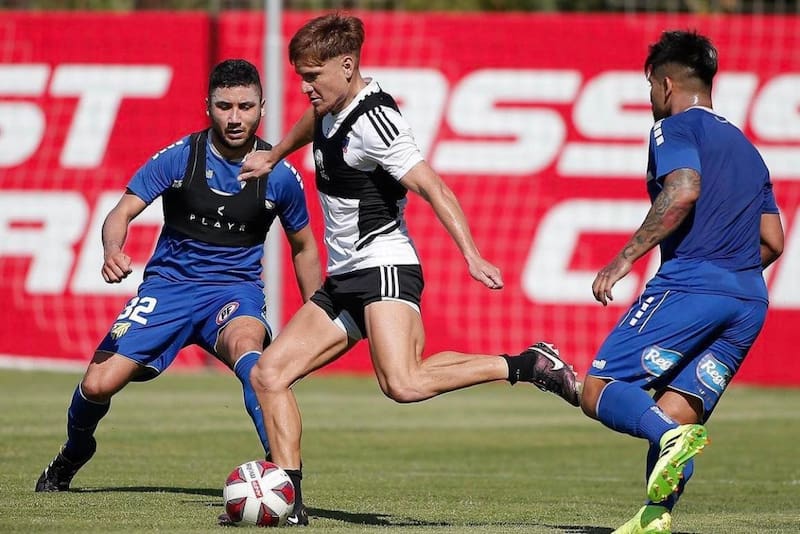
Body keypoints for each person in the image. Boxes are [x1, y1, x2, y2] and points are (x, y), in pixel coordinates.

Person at [240, 13, 580, 526]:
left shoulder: (378, 121)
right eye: (300, 76)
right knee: (269, 374)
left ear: (347, 65)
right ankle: (289, 503)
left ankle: (527, 364)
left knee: (402, 382)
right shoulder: (329, 105)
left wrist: (471, 254)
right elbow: (316, 122)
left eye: (313, 76)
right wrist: (275, 155)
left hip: (385, 266)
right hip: (346, 277)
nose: (305, 87)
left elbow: (433, 187)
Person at [34, 59, 322, 510]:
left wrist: (314, 317)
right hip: (167, 289)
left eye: (245, 106)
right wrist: (113, 250)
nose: (234, 117)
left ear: (262, 108)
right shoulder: (179, 158)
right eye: (224, 105)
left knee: (255, 362)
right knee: (97, 385)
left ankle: (285, 480)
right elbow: (121, 213)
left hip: (233, 293)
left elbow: (304, 247)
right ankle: (75, 450)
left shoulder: (279, 174)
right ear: (207, 106)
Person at [579, 31, 783, 534]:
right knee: (677, 411)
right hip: (749, 300)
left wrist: (626, 257)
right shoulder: (747, 148)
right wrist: (731, 271)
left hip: (691, 285)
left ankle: (668, 441)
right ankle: (655, 518)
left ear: (666, 84)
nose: (651, 98)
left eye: (650, 87)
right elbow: (773, 241)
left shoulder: (673, 127)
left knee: (600, 387)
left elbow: (684, 187)